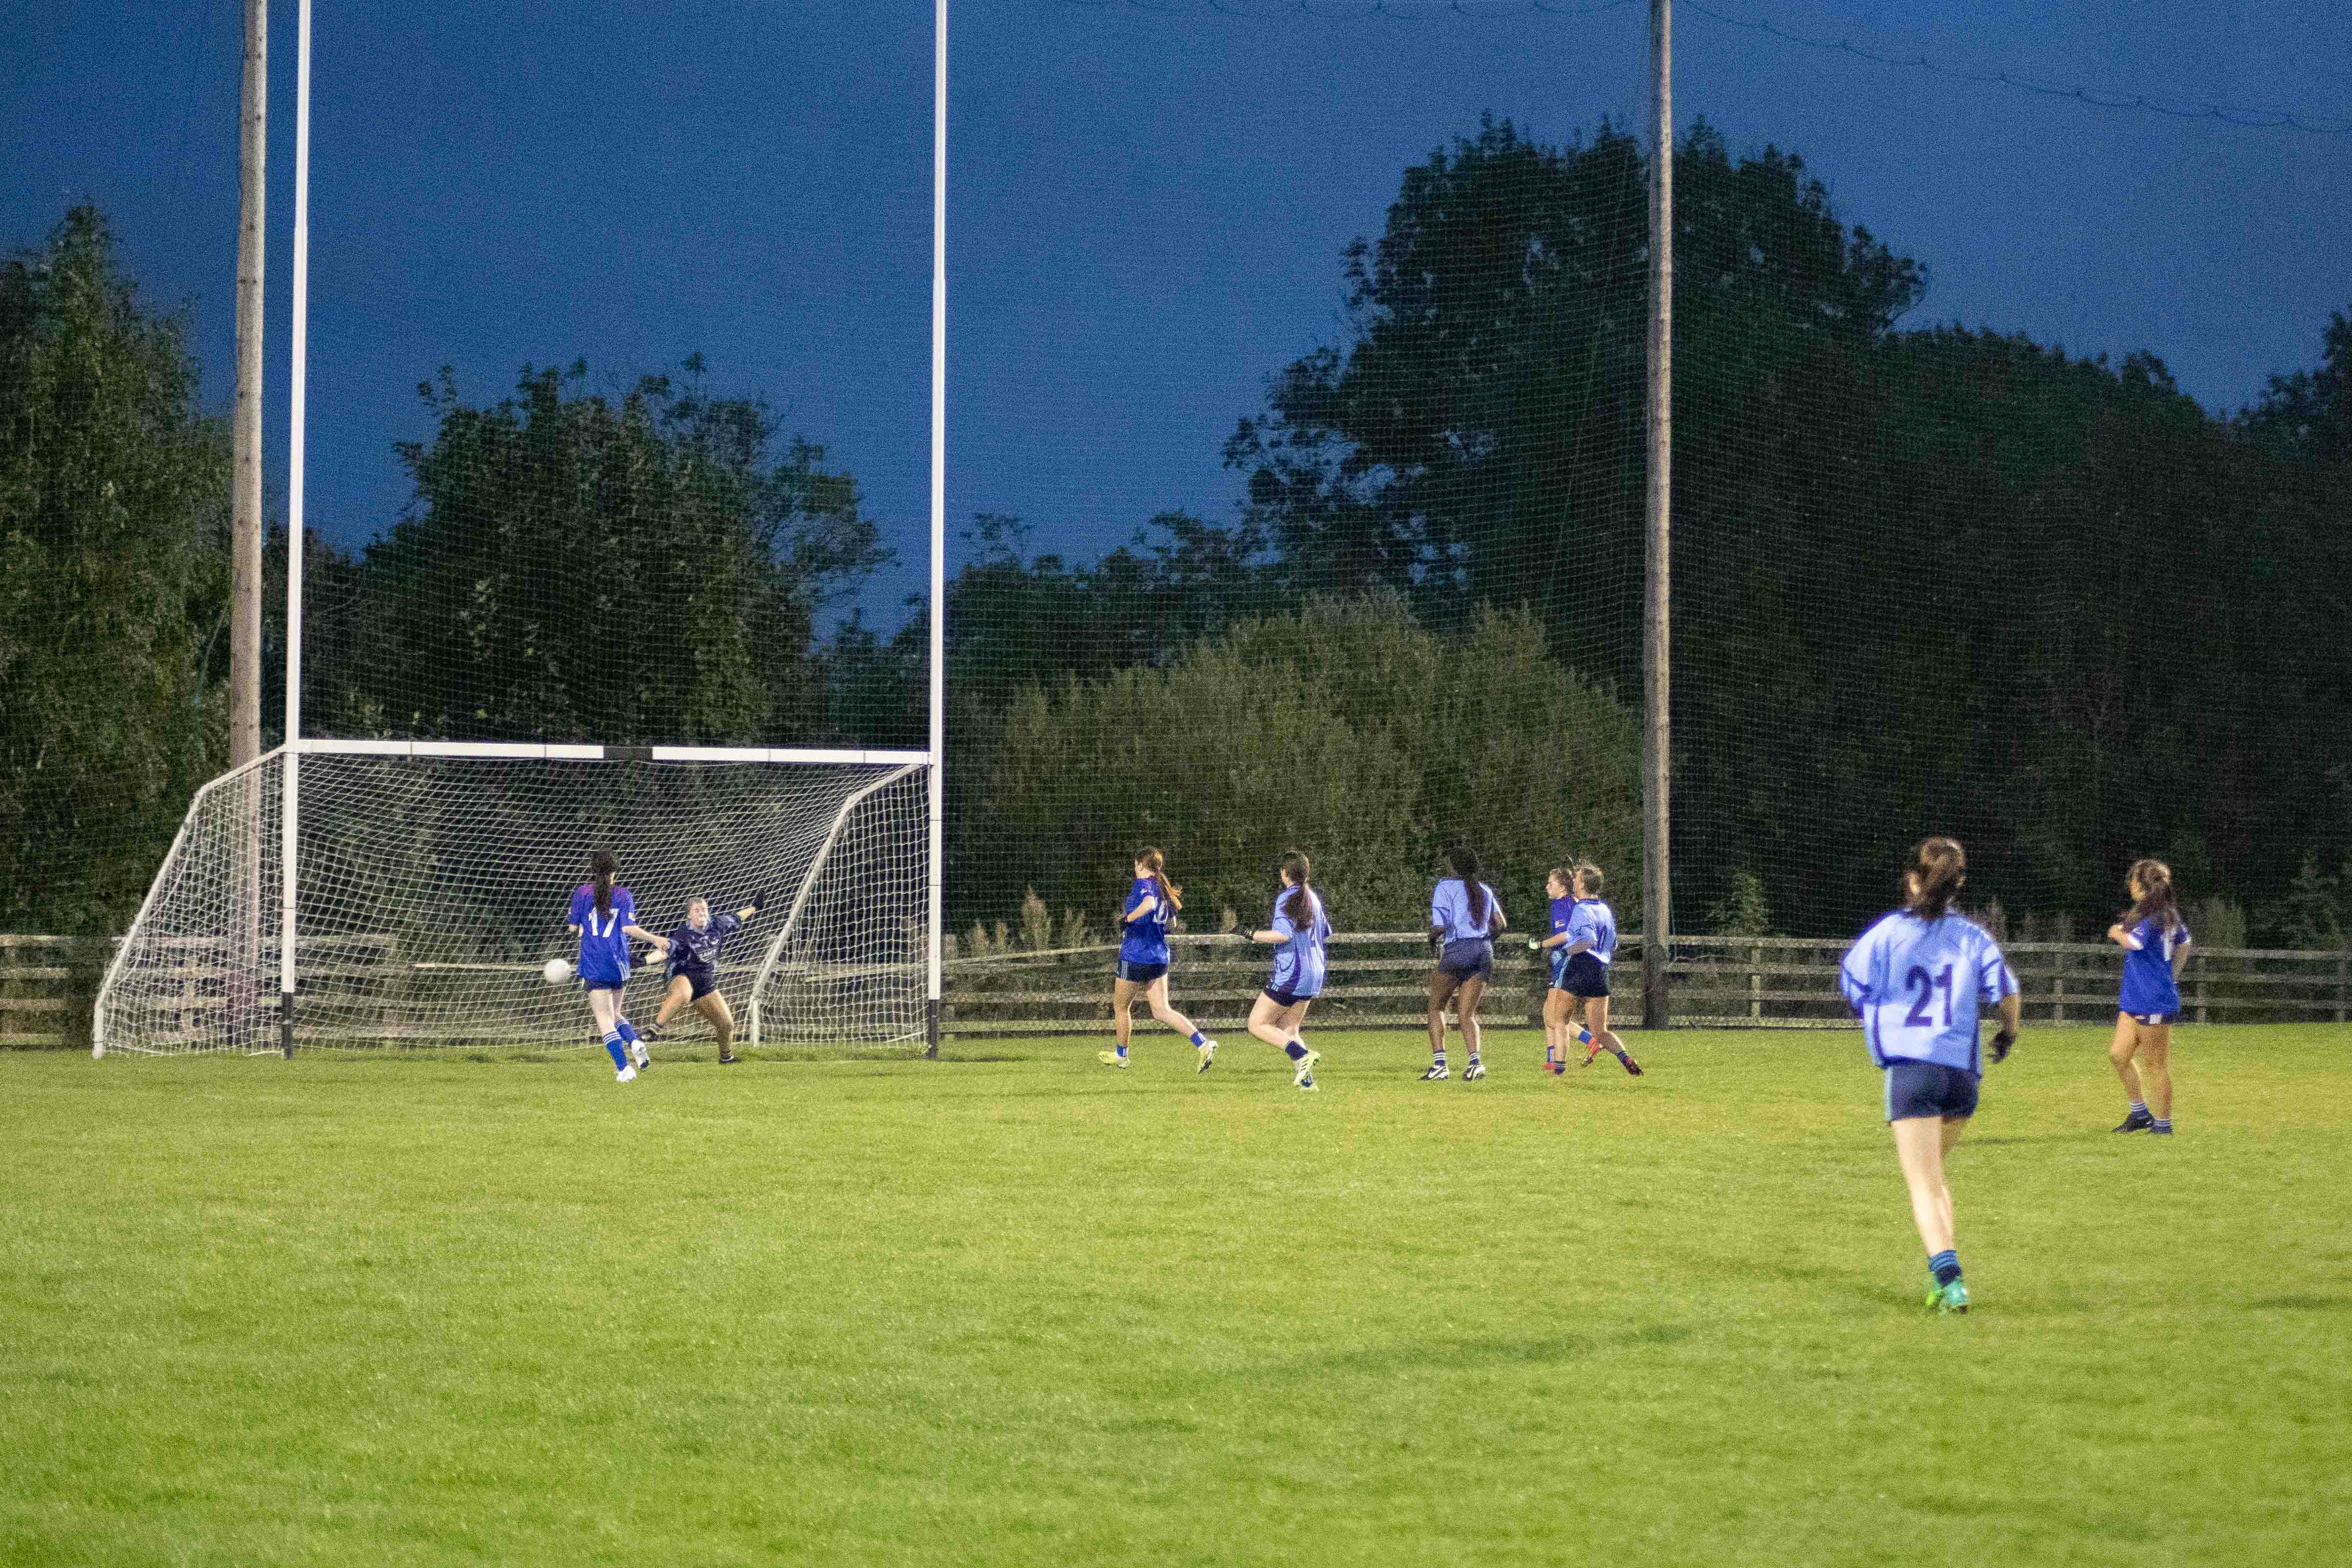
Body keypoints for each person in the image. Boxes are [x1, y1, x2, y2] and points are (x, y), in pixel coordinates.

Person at [1838, 836, 2021, 1315]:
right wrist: (2008, 1034)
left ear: (1912, 879)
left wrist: (1882, 1010)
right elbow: (2007, 993)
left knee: (1922, 1184)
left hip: (1913, 1070)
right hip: (1962, 1074)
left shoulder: (1888, 933)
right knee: (1936, 1179)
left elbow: (1853, 983)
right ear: (1958, 884)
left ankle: (1951, 1280)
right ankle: (1940, 1280)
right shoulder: (1973, 937)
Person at [1102, 847, 1218, 1071]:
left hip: (1135, 956)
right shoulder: (1162, 888)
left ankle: (1122, 1056)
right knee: (1162, 1011)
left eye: (1135, 864)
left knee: (1121, 1007)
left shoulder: (1143, 884)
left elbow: (1149, 904)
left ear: (1140, 865)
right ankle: (1203, 1044)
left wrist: (1128, 919)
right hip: (1159, 957)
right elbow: (1171, 924)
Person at [566, 849, 670, 1084]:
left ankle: (624, 1068)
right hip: (620, 963)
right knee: (615, 1014)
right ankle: (634, 1041)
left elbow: (573, 928)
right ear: (615, 871)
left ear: (593, 870)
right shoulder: (624, 894)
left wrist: (582, 927)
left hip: (595, 963)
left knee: (605, 1018)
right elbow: (628, 929)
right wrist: (655, 939)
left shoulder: (582, 893)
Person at [2105, 858, 2192, 1135]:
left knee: (2155, 1065)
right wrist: (2173, 975)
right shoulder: (2164, 914)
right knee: (2119, 1055)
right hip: (2135, 996)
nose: (2130, 885)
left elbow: (2135, 943)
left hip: (2152, 1000)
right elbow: (2185, 943)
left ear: (2143, 886)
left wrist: (2116, 933)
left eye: (2133, 880)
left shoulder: (2154, 916)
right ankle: (2140, 1115)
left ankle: (2163, 1127)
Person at [1528, 863, 1641, 1076]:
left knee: (1559, 1021)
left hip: (1579, 967)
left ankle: (1558, 1069)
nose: (1573, 880)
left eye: (1577, 878)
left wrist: (1565, 952)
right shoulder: (1605, 909)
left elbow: (1588, 940)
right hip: (1600, 973)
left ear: (1582, 885)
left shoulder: (1581, 909)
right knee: (1600, 1032)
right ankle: (1626, 1059)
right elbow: (1614, 944)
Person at [1237, 851, 1328, 1091]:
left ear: (1284, 873)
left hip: (1293, 975)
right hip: (1314, 974)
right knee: (1289, 1029)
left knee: (1256, 1024)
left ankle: (1302, 1054)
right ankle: (1308, 1084)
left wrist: (1251, 935)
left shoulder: (1286, 899)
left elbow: (1283, 935)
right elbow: (1326, 932)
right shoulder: (1313, 898)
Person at [641, 893, 766, 1065]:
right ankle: (653, 1030)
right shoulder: (683, 933)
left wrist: (755, 908)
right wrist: (645, 961)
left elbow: (738, 917)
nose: (701, 913)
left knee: (727, 1025)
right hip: (681, 974)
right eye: (697, 910)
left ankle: (726, 1058)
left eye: (704, 909)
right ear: (689, 915)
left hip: (705, 979)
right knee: (684, 994)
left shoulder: (718, 924)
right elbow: (665, 951)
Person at [1423, 845, 1505, 1081]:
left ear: (1453, 866)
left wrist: (1431, 938)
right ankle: (1475, 1063)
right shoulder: (1485, 890)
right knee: (1467, 1014)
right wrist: (1484, 941)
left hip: (1459, 950)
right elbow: (1501, 924)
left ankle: (1440, 1065)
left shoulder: (1444, 887)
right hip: (1484, 952)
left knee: (1437, 1007)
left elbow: (1440, 926)